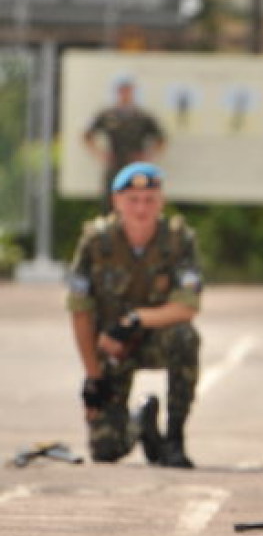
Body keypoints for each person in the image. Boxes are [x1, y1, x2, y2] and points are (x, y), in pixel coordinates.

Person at [66, 161, 200, 468]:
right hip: (112, 348)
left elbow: (188, 306)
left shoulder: (179, 240)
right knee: (106, 450)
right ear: (116, 201)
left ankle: (174, 439)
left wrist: (135, 320)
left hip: (156, 338)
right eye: (132, 200)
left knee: (185, 336)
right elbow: (80, 311)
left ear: (161, 201)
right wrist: (93, 377)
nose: (141, 208)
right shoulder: (96, 242)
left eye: (149, 199)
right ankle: (142, 423)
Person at [82, 78, 167, 209]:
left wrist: (148, 157)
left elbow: (161, 139)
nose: (125, 94)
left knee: (137, 199)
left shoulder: (142, 116)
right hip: (115, 163)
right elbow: (87, 136)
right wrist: (100, 154)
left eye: (128, 91)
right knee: (111, 200)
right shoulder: (108, 114)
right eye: (122, 91)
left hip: (135, 165)